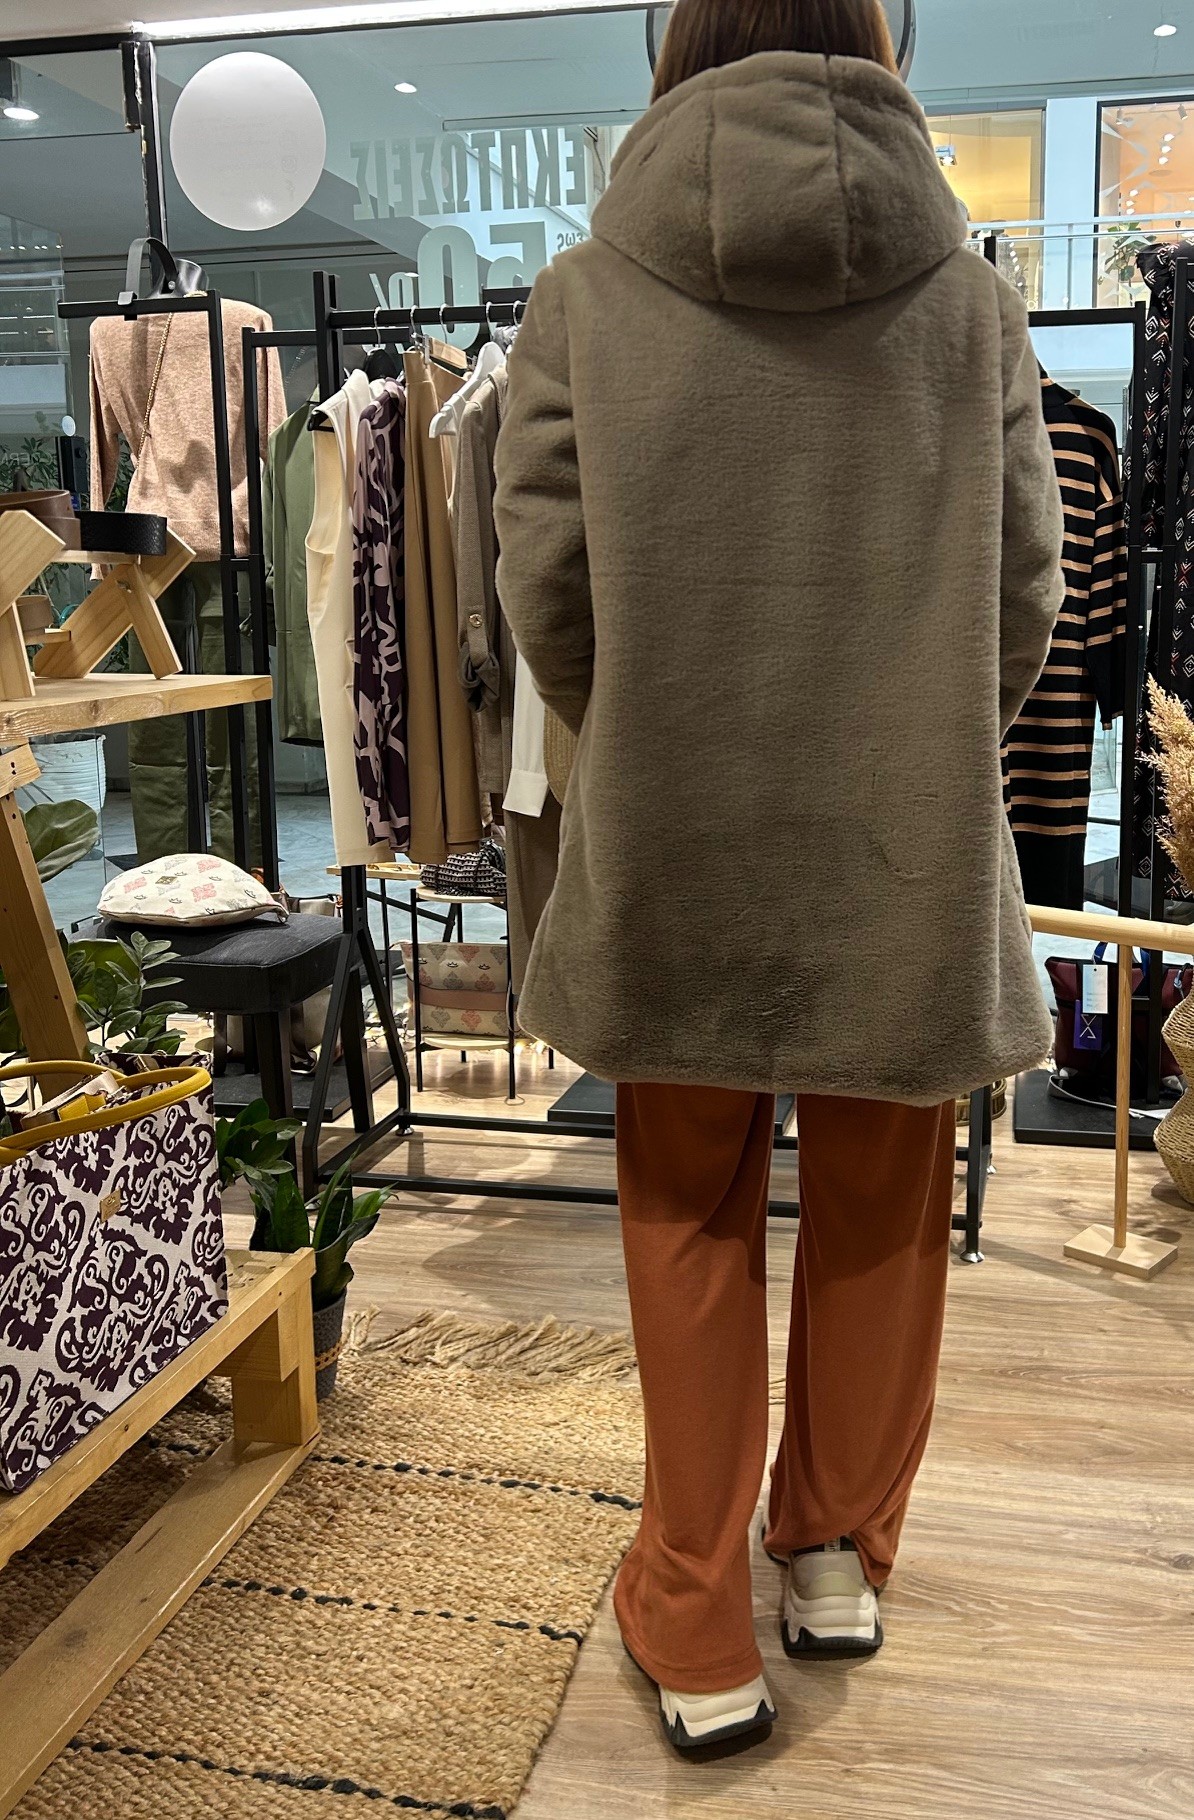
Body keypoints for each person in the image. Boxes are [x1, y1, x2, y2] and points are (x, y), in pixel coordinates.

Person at [494, 0, 1063, 1753]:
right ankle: (828, 1556)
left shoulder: (585, 295)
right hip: (903, 839)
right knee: (885, 1200)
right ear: (874, 40)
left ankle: (690, 1613)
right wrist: (916, 738)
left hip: (677, 830)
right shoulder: (968, 303)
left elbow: (547, 587)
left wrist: (644, 737)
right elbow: (1024, 588)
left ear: (678, 47)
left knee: (684, 1203)